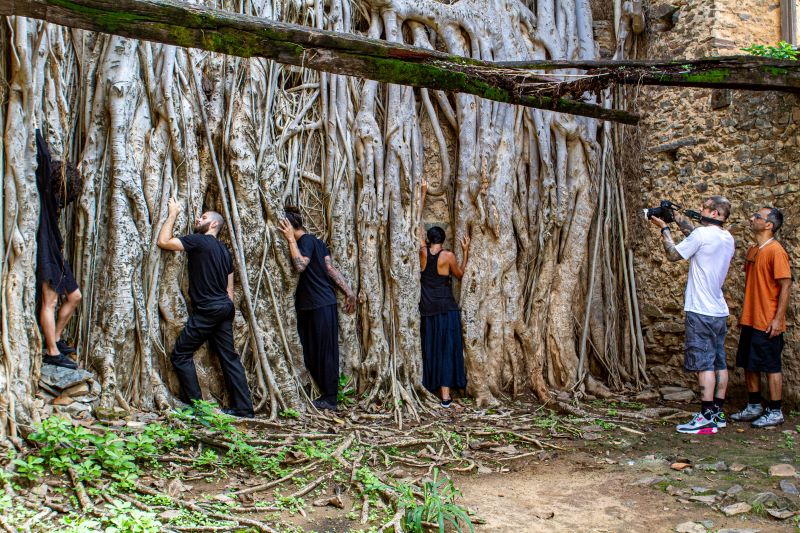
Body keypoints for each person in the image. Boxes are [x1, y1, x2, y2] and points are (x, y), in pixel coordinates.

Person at [157, 198, 254, 417]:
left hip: (209, 309)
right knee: (229, 357)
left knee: (181, 354)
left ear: (213, 224)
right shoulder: (225, 251)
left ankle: (198, 408)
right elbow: (229, 290)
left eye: (203, 218)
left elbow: (163, 241)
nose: (197, 220)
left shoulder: (198, 241)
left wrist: (173, 213)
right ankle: (244, 408)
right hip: (225, 308)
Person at [650, 196, 735, 434]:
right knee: (719, 362)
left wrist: (664, 229)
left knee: (704, 364)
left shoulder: (701, 235)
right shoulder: (727, 237)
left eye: (704, 207)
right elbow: (694, 233)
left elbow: (673, 254)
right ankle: (717, 413)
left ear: (715, 213)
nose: (700, 209)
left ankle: (705, 417)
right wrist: (676, 216)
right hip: (718, 311)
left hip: (700, 310)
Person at [278, 205, 356, 411]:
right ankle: (324, 393)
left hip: (318, 303)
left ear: (288, 225)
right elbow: (330, 269)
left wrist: (290, 239)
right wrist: (348, 291)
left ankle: (330, 398)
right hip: (315, 304)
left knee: (324, 352)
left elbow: (300, 265)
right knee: (314, 350)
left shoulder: (305, 241)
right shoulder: (318, 242)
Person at [730, 207, 792, 428]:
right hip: (750, 319)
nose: (751, 218)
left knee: (771, 366)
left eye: (757, 216)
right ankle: (754, 405)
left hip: (767, 321)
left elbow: (786, 285)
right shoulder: (753, 250)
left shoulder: (776, 251)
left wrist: (778, 319)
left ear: (768, 225)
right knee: (749, 364)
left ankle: (775, 411)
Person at [418, 180, 470, 407]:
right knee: (447, 350)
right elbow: (460, 274)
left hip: (428, 309)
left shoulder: (422, 252)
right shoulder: (448, 256)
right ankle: (446, 396)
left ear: (428, 238)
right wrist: (465, 252)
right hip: (447, 309)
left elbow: (415, 223)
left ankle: (429, 387)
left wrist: (423, 193)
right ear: (443, 239)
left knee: (431, 348)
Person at [36, 129, 83, 370]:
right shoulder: (45, 195)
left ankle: (55, 338)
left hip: (56, 251)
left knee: (75, 296)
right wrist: (36, 132)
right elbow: (44, 160)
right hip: (46, 252)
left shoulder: (56, 201)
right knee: (50, 301)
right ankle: (52, 353)